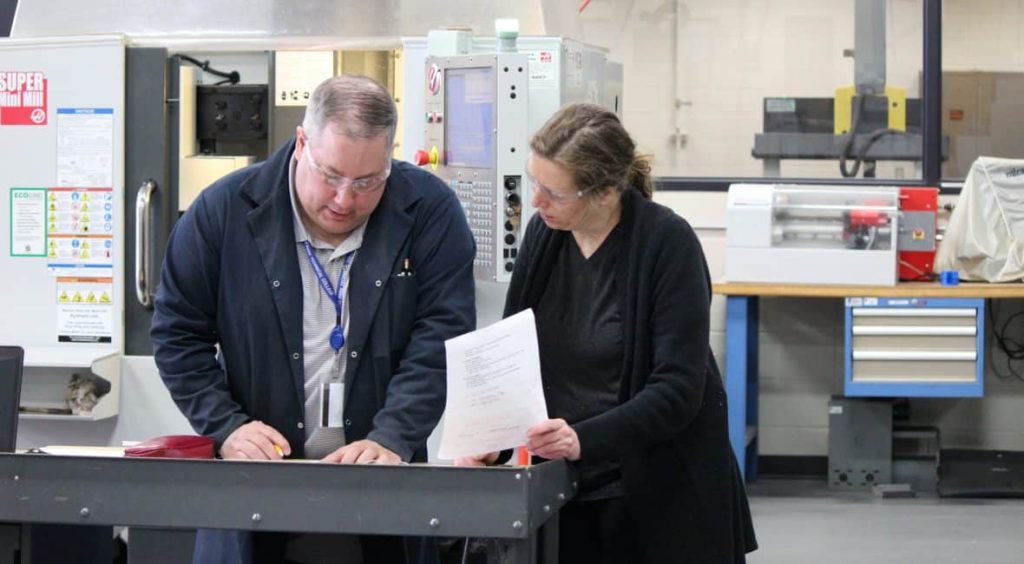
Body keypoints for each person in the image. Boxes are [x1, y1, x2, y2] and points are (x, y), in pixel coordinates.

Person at [151, 75, 476, 564]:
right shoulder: (224, 210)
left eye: (368, 181)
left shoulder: (429, 211)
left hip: (382, 490)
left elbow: (442, 336)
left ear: (390, 157)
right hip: (255, 488)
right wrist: (225, 427)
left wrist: (394, 435)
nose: (345, 200)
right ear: (302, 142)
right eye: (331, 175)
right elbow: (177, 334)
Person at [456, 103, 757, 563]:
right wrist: (493, 441)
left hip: (655, 493)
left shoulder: (666, 244)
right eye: (534, 182)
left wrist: (584, 439)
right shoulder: (544, 234)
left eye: (554, 192)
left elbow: (678, 390)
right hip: (566, 487)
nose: (536, 202)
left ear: (603, 192)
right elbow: (513, 355)